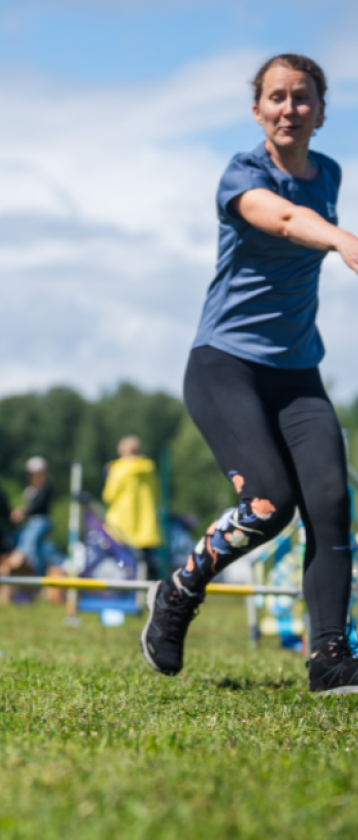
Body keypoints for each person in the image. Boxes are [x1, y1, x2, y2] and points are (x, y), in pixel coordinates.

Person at [141, 54, 358, 695]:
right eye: (277, 97)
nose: (290, 109)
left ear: (321, 111)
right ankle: (179, 590)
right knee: (269, 505)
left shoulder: (330, 173)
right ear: (258, 110)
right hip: (224, 366)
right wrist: (342, 239)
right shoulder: (243, 174)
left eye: (302, 98)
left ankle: (330, 657)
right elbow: (285, 220)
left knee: (331, 503)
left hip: (298, 373)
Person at [102, 436, 162, 579]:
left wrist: (108, 475)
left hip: (121, 526)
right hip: (146, 528)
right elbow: (156, 492)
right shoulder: (149, 469)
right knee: (147, 567)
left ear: (122, 451)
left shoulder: (118, 469)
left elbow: (108, 495)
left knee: (122, 566)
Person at [0, 456, 54, 603]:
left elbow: (37, 507)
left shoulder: (45, 486)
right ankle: (34, 585)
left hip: (38, 522)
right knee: (38, 553)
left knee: (30, 553)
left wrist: (23, 513)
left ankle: (36, 584)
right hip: (31, 523)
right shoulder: (32, 488)